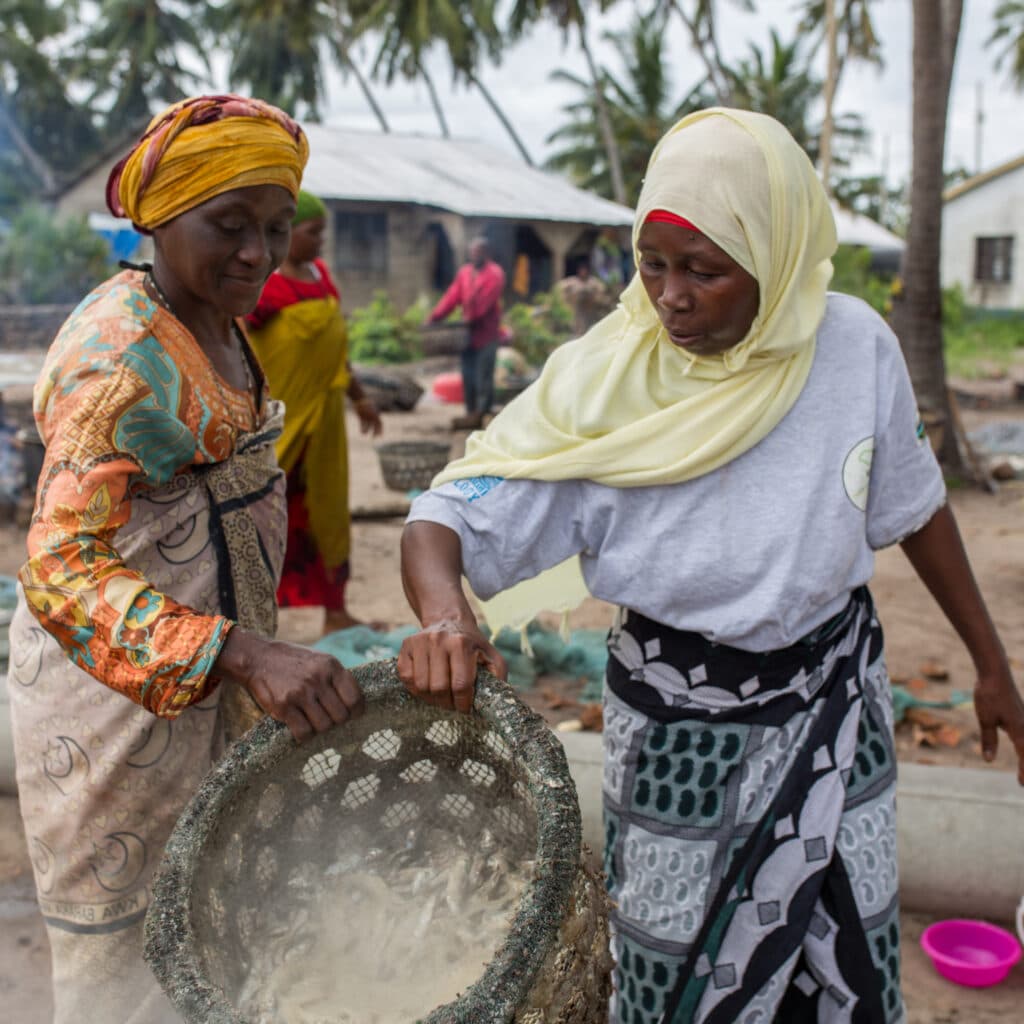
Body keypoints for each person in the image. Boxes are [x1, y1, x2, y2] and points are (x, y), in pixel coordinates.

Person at [395, 108, 1024, 1023]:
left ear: (774, 258)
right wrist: (446, 618)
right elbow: (443, 515)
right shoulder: (605, 388)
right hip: (681, 736)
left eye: (704, 270)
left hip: (838, 699)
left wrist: (992, 663)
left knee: (845, 960)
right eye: (652, 265)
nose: (671, 297)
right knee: (678, 980)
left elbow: (914, 506)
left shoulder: (852, 349)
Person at [7, 95, 365, 1024]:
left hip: (216, 688)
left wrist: (245, 661)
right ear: (159, 218)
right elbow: (60, 568)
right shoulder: (121, 357)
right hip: (117, 719)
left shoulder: (212, 314)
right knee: (127, 973)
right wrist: (244, 654)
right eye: (230, 226)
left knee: (210, 942)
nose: (259, 253)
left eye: (278, 228)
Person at [247, 189, 383, 633]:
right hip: (278, 427)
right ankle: (251, 619)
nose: (321, 241)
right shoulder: (264, 288)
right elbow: (232, 347)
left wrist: (360, 397)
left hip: (324, 427)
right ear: (283, 233)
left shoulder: (321, 276)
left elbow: (336, 349)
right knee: (261, 517)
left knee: (329, 514)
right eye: (313, 232)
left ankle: (336, 612)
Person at [427, 235, 506, 430]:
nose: (474, 256)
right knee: (468, 376)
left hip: (486, 335)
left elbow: (486, 302)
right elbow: (451, 297)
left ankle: (483, 415)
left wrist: (470, 318)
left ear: (486, 253)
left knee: (483, 377)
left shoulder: (494, 274)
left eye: (478, 252)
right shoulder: (465, 273)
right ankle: (471, 414)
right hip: (467, 338)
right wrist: (435, 318)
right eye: (472, 252)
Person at [557, 257, 612, 336]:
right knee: (576, 331)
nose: (583, 272)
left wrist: (595, 297)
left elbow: (602, 292)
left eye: (584, 270)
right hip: (576, 312)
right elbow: (559, 288)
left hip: (590, 312)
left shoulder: (592, 282)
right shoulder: (573, 281)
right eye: (581, 270)